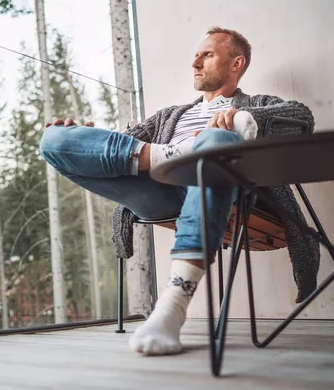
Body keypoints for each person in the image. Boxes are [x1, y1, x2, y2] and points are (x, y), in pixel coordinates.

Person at [38, 27, 318, 356]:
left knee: (218, 141)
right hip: (162, 190)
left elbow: (303, 117)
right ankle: (179, 153)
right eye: (196, 55)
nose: (195, 62)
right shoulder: (170, 116)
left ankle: (173, 303)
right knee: (55, 140)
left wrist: (242, 117)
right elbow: (120, 146)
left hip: (229, 190)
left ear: (236, 63)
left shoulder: (258, 104)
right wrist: (83, 137)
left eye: (207, 55)